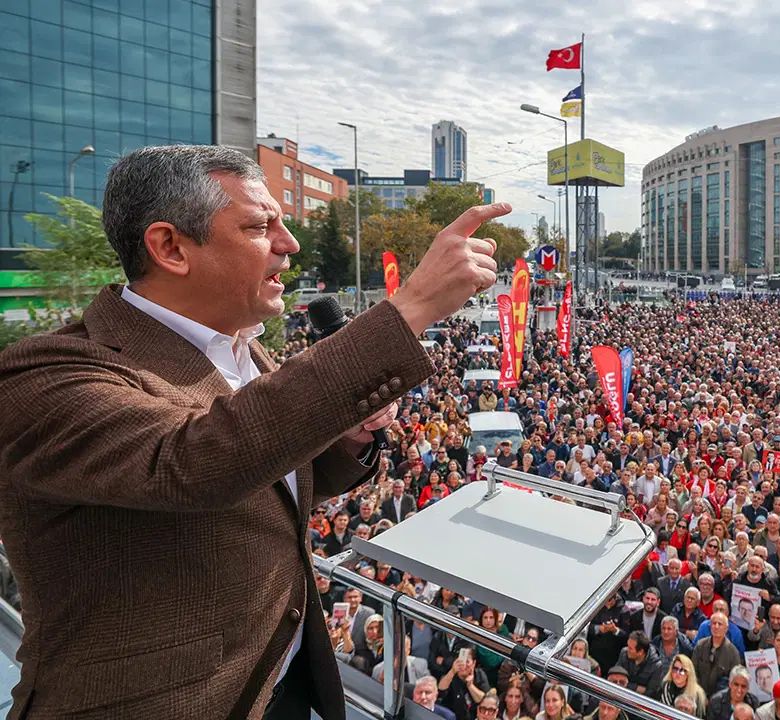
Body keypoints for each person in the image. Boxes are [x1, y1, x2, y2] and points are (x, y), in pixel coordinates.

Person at [0, 144, 507, 718]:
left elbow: (275, 475)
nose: (289, 245)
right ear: (170, 247)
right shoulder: (44, 375)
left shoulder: (243, 351)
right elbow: (193, 464)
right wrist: (408, 309)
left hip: (280, 682)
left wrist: (351, 433)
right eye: (261, 225)